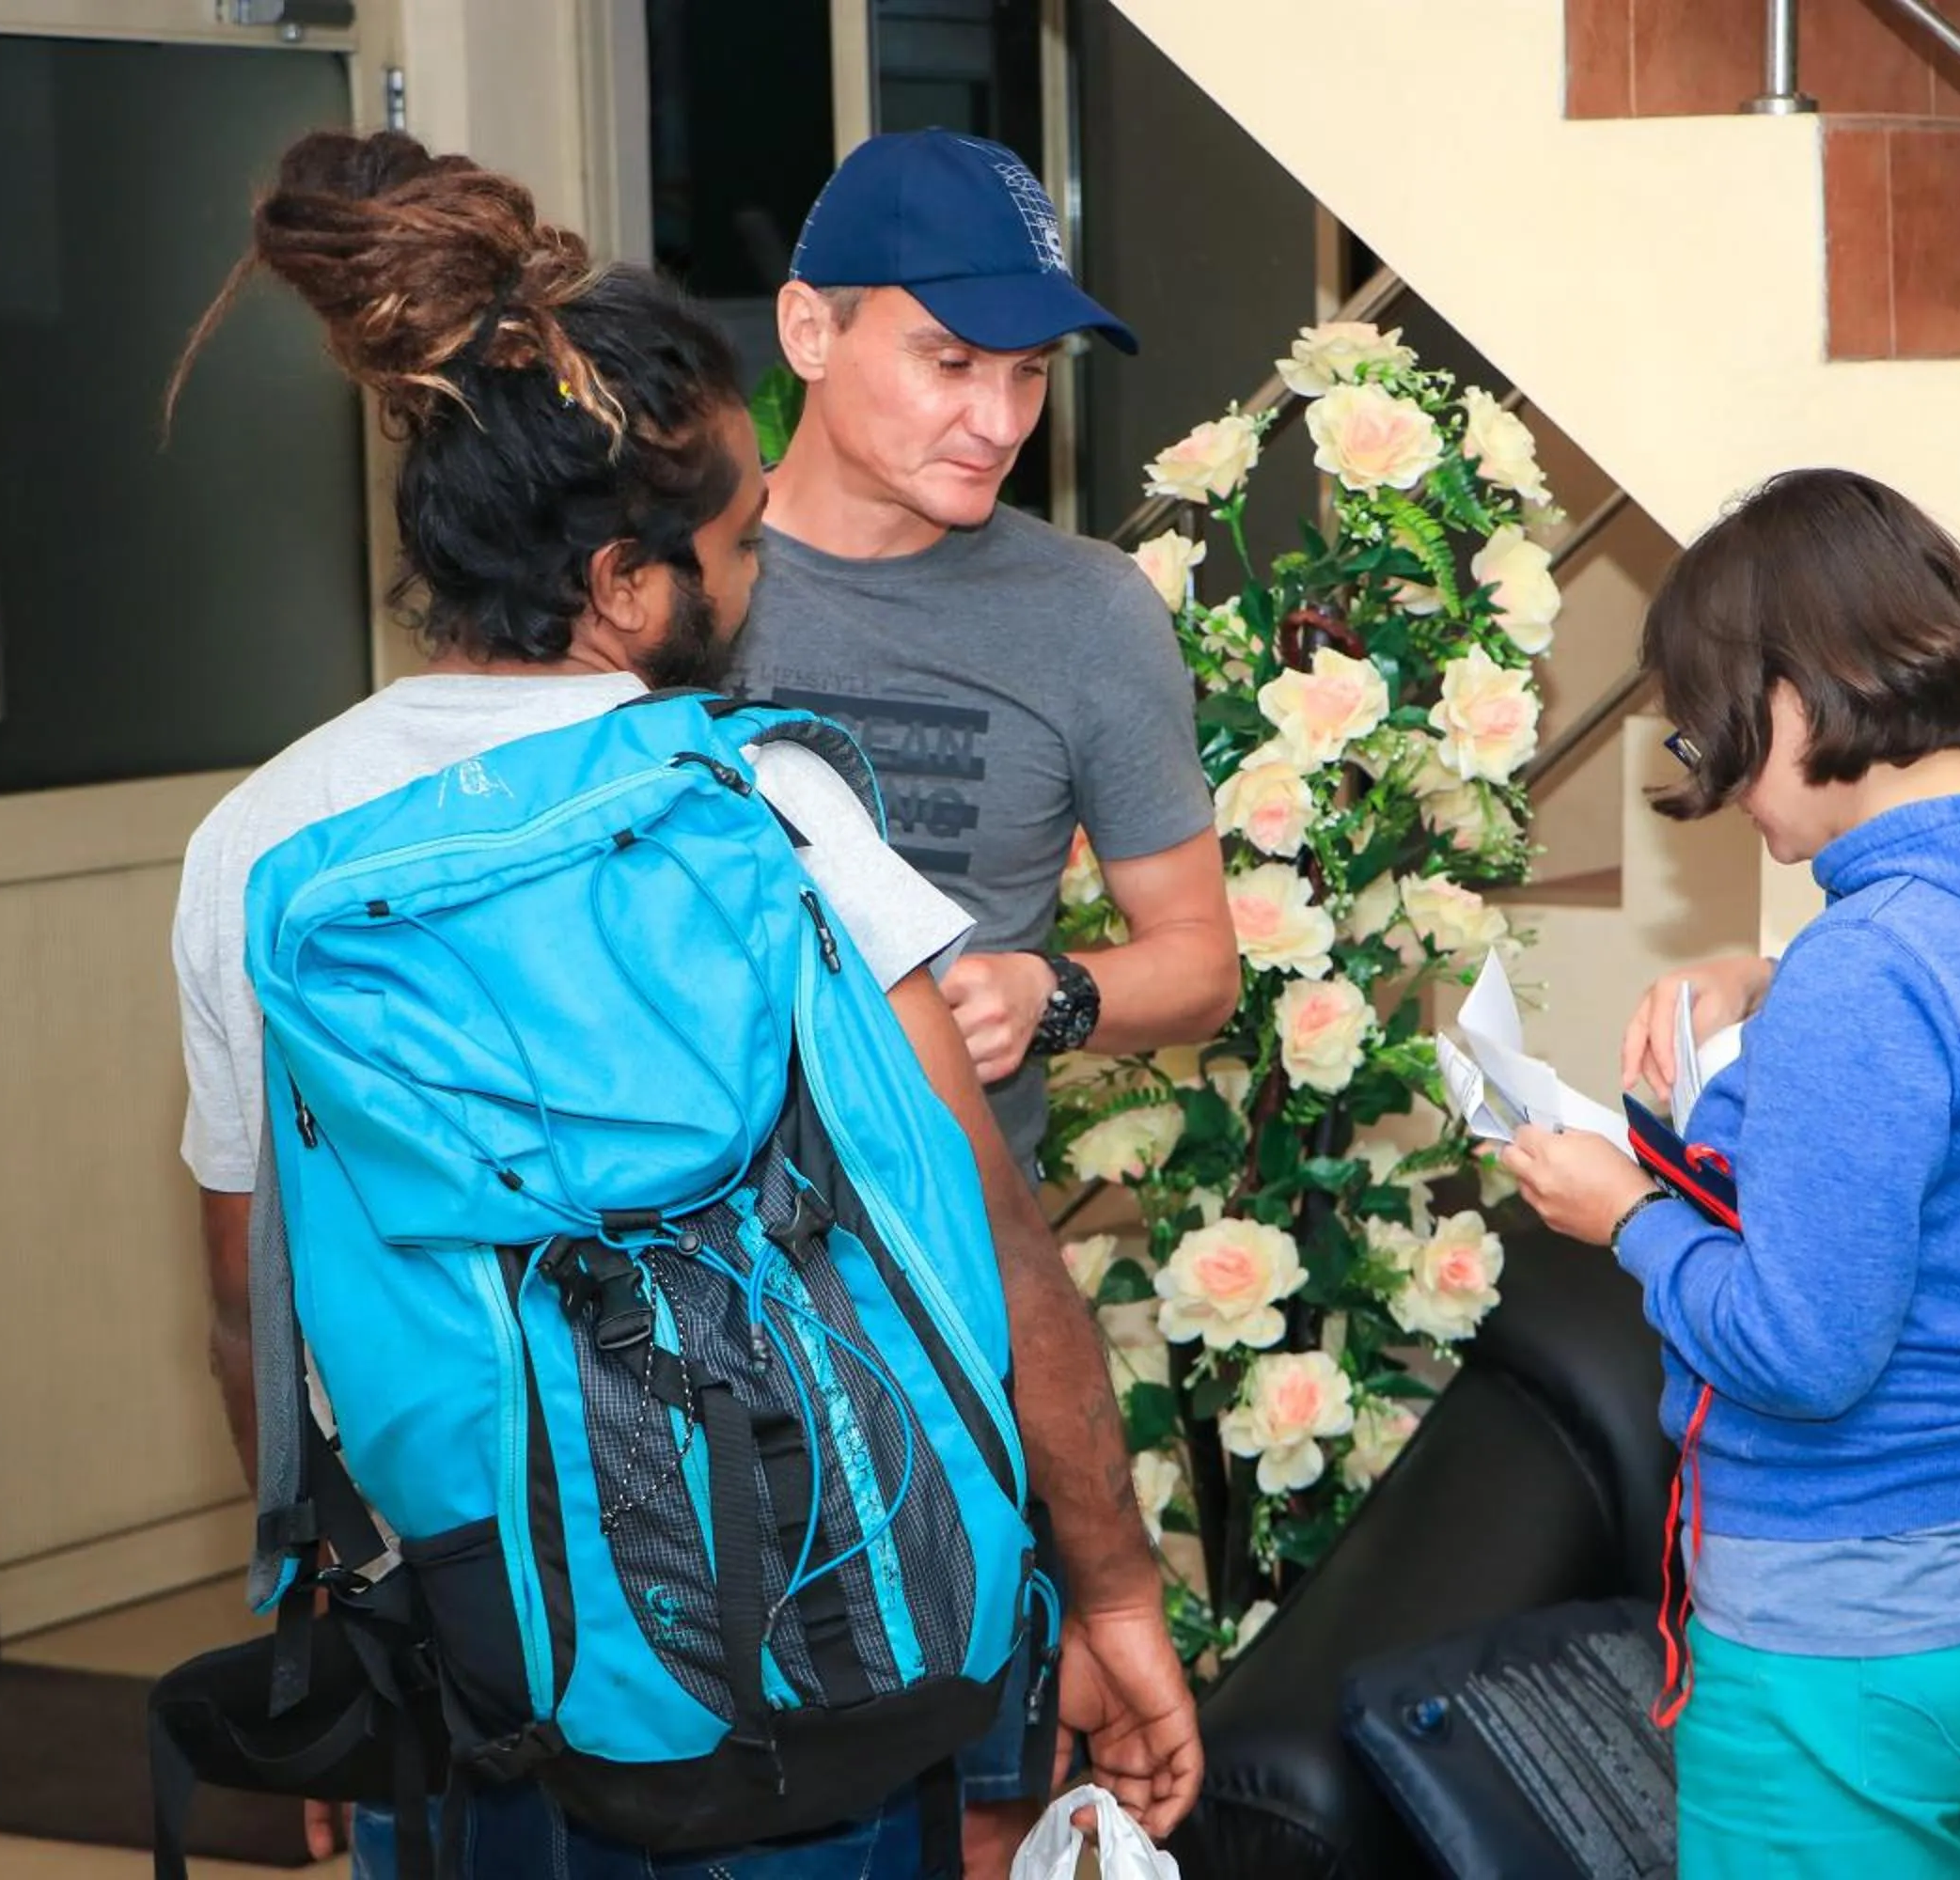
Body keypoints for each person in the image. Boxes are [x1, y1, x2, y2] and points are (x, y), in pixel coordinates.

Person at [166, 131, 1200, 1878]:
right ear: (626, 589)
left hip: (474, 1653)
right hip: (797, 1647)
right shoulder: (768, 810)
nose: (759, 555)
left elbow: (252, 1313)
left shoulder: (259, 842)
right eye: (733, 536)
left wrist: (328, 1624)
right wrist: (1109, 1590)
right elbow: (988, 1236)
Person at [1504, 468, 1960, 1880]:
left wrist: (1624, 1215)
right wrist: (1770, 976)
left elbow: (1802, 1352)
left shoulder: (1872, 970)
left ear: (1795, 696)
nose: (1715, 782)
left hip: (1854, 1636)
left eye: (1715, 730)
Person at [733, 131, 1238, 1870]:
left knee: (980, 1816)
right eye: (949, 361)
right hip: (679, 1336)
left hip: (964, 1324)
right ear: (809, 330)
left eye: (1026, 375)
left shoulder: (1087, 613)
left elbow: (1198, 959)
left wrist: (1055, 989)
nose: (997, 416)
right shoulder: (674, 589)